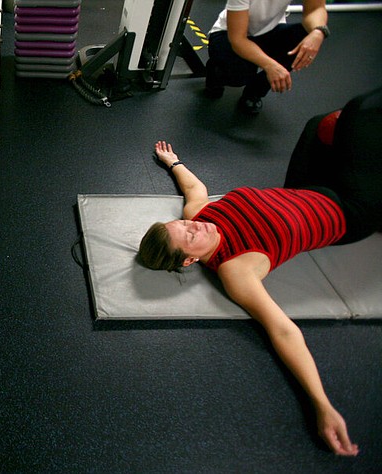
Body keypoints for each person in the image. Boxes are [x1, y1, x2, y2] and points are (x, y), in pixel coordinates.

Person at [138, 88, 382, 456]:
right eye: (187, 237)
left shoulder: (199, 215)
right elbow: (282, 330)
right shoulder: (235, 269)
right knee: (360, 112)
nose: (194, 228)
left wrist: (173, 162)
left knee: (319, 125)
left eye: (182, 225)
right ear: (189, 261)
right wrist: (322, 405)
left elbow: (194, 187)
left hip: (308, 189)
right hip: (351, 211)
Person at [205, 0, 329, 115]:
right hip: (229, 34)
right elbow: (238, 39)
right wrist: (270, 65)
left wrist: (318, 32)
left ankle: (254, 92)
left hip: (269, 30)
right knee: (238, 75)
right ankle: (214, 72)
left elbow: (315, 8)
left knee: (307, 35)